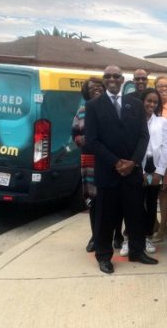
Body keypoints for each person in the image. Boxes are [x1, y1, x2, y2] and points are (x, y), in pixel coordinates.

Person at [85, 65, 158, 274]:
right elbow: (92, 141)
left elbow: (144, 136)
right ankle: (104, 256)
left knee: (135, 214)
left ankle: (137, 251)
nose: (112, 79)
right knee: (106, 218)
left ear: (122, 79)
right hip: (108, 172)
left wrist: (133, 162)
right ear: (104, 80)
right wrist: (116, 162)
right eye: (108, 76)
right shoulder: (93, 106)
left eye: (116, 76)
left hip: (132, 171)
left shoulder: (135, 104)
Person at [71, 77, 107, 252]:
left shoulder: (111, 108)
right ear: (86, 91)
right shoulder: (82, 111)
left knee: (111, 200)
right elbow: (75, 134)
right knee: (94, 201)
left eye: (100, 86)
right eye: (92, 87)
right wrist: (83, 139)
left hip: (108, 160)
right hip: (90, 160)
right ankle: (95, 236)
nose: (97, 89)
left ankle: (117, 235)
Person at [139, 88, 167, 255]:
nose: (151, 104)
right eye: (149, 100)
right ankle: (132, 237)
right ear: (142, 101)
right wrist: (140, 171)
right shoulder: (135, 121)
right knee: (136, 203)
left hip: (155, 167)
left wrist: (160, 172)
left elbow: (166, 148)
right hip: (140, 168)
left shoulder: (162, 122)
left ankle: (147, 237)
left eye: (155, 102)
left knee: (151, 204)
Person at [151, 76, 167, 242]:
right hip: (151, 158)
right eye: (160, 86)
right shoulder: (149, 104)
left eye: (166, 86)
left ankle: (163, 226)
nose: (163, 89)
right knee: (149, 193)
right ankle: (153, 223)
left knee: (164, 191)